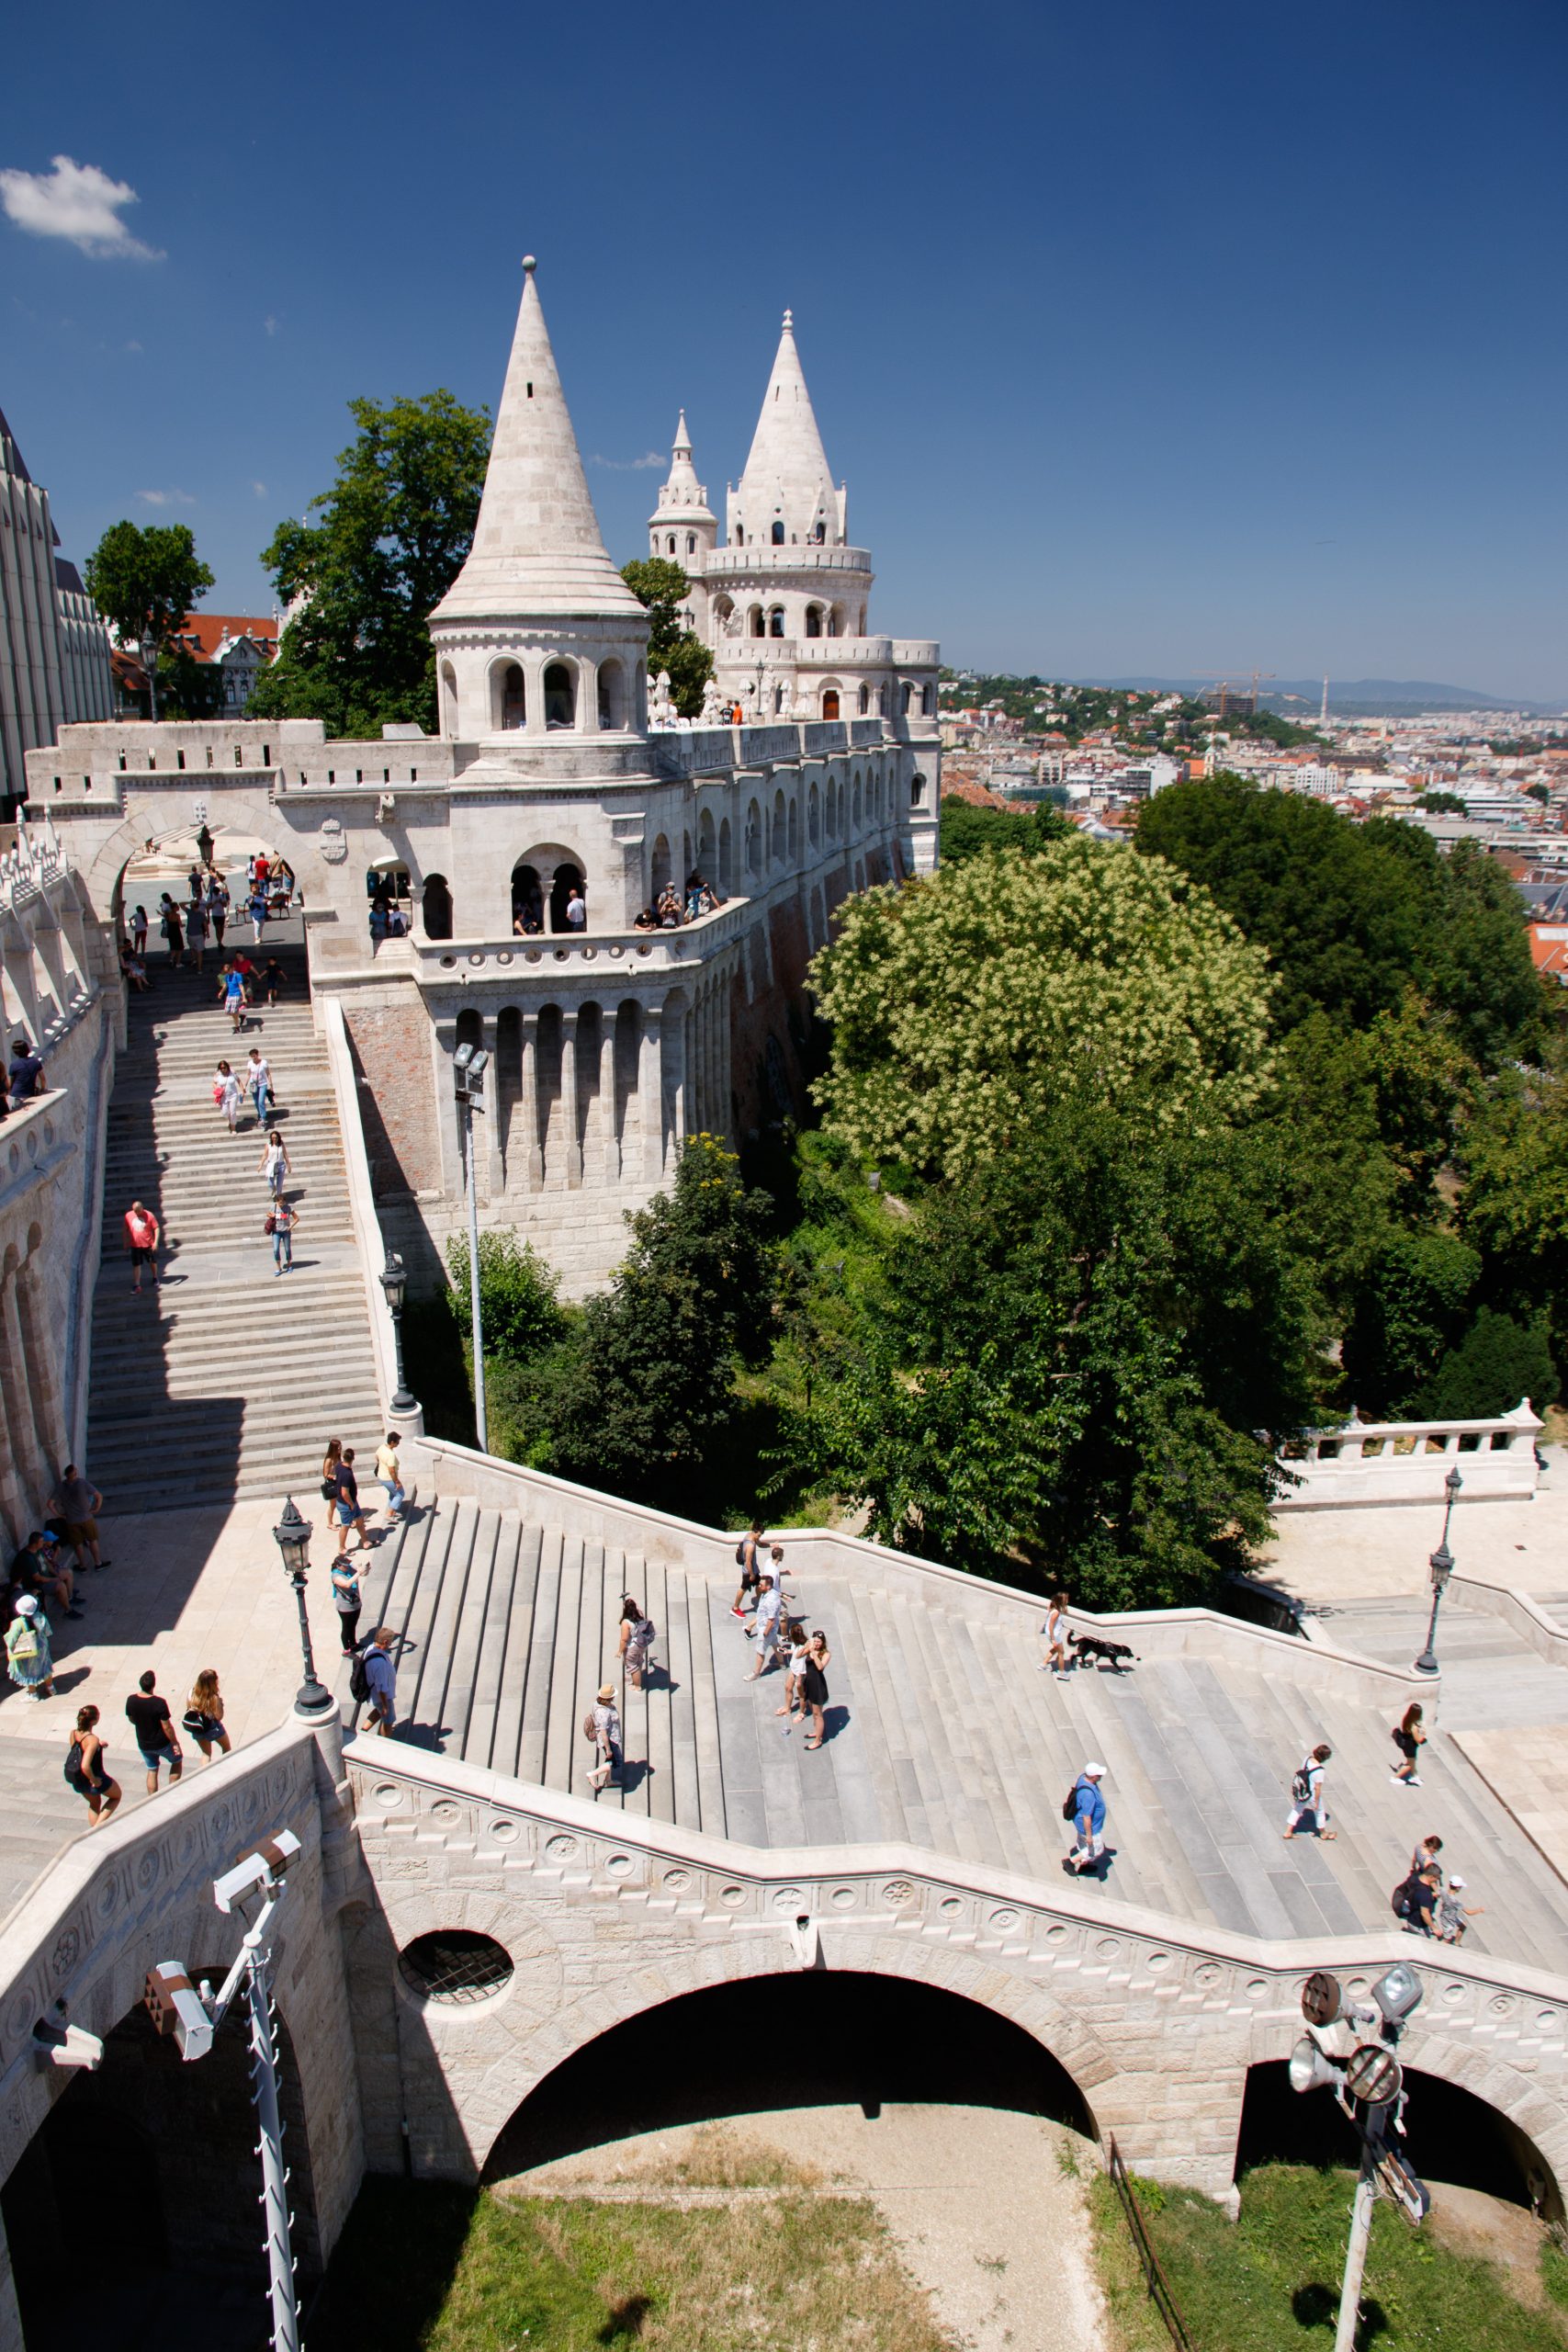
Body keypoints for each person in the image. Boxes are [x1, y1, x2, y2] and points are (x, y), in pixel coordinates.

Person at [126, 1668, 183, 1792]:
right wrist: (174, 1743)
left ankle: (152, 1798)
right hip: (161, 1743)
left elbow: (131, 1719)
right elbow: (167, 1726)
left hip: (144, 1743)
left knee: (152, 1769)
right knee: (177, 1760)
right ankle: (172, 1793)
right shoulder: (159, 1703)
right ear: (153, 1685)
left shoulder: (131, 1700)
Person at [64, 1706, 120, 1827]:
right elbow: (85, 1765)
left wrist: (98, 1746)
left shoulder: (73, 1733)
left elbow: (78, 1752)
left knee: (94, 1804)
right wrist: (94, 1780)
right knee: (116, 1796)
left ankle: (93, 1832)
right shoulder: (92, 1740)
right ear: (93, 1721)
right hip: (94, 1777)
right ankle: (96, 1829)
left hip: (78, 1779)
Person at [49, 1466, 108, 1572]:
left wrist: (59, 1515)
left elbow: (50, 1504)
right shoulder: (82, 1483)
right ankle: (98, 1563)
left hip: (71, 1520)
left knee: (77, 1543)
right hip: (87, 1517)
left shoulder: (61, 1487)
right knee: (92, 1540)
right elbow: (99, 1496)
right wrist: (96, 1508)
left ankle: (82, 1565)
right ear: (75, 1473)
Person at [12, 1532, 81, 1621]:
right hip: (38, 1583)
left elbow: (47, 1563)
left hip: (47, 1575)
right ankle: (68, 1610)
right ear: (35, 1544)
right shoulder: (27, 1558)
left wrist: (56, 1574)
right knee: (60, 1585)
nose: (43, 1543)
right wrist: (54, 1579)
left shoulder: (38, 1550)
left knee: (68, 1572)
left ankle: (70, 1597)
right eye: (41, 1541)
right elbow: (37, 1578)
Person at [6, 1594, 55, 1700]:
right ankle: (51, 1688)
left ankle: (33, 1694)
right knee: (45, 1667)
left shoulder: (17, 1623)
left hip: (28, 1652)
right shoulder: (41, 1617)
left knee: (29, 1672)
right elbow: (48, 1632)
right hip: (42, 1649)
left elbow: (11, 1640)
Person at [1282, 1743, 1336, 1840]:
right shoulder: (1320, 1771)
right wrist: (1316, 1801)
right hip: (1311, 1794)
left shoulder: (1307, 1759)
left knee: (1297, 1809)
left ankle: (1288, 1831)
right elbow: (1317, 1788)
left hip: (1302, 1790)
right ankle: (1323, 1833)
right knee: (1319, 1812)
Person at [1066, 1762, 1108, 1874]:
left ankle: (1085, 1864)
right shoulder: (1088, 1795)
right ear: (1093, 1776)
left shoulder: (1083, 1777)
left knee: (1083, 1843)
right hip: (1090, 1826)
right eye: (1099, 1775)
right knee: (1096, 1848)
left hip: (1082, 1823)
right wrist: (1089, 1836)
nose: (1100, 1777)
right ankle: (1070, 1862)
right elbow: (1087, 1817)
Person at [184, 1668, 231, 1761]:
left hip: (198, 1726)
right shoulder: (213, 1698)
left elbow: (189, 1707)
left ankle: (204, 1774)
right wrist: (220, 1705)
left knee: (206, 1753)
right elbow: (219, 1717)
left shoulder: (191, 1692)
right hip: (212, 1727)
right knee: (226, 1748)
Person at [746, 1575, 784, 1681]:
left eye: (761, 1585)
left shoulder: (771, 1600)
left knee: (760, 1651)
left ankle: (756, 1673)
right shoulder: (770, 1593)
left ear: (768, 1587)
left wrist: (765, 1633)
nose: (759, 1586)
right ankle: (782, 1664)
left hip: (767, 1629)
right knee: (775, 1644)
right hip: (770, 1628)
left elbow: (771, 1620)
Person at [333, 1447, 372, 1551]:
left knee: (359, 1520)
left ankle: (365, 1541)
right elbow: (344, 1493)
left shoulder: (338, 1466)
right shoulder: (347, 1474)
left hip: (351, 1502)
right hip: (347, 1504)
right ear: (353, 1459)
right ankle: (341, 1547)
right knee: (345, 1526)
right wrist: (351, 1504)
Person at [362, 1626, 399, 1735]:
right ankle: (386, 1743)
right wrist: (385, 1704)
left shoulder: (370, 1648)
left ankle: (363, 1732)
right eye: (390, 1643)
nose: (389, 1646)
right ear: (385, 1642)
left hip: (375, 1694)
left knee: (379, 1712)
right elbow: (381, 1687)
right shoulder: (379, 1663)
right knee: (388, 1720)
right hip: (382, 1697)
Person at [586, 1681, 621, 1794]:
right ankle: (592, 1774)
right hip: (610, 1739)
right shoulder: (603, 1712)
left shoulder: (598, 1703)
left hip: (611, 1736)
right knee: (616, 1761)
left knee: (610, 1760)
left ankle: (608, 1780)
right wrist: (609, 1749)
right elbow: (603, 1732)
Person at [800, 1629, 831, 1749]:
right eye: (816, 1641)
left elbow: (820, 1667)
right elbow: (798, 1655)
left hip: (818, 1685)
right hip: (809, 1683)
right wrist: (807, 1647)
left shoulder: (826, 1654)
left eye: (820, 1642)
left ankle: (818, 1740)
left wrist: (813, 1653)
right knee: (813, 1711)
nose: (818, 1644)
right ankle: (817, 1732)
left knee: (818, 1714)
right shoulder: (811, 1649)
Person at [123, 1199, 162, 1293]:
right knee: (136, 1264)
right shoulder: (128, 1215)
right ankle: (137, 1284)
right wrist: (125, 1242)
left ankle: (155, 1277)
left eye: (138, 1211)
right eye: (135, 1211)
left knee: (152, 1261)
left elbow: (156, 1228)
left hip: (148, 1244)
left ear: (142, 1208)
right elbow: (125, 1229)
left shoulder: (149, 1215)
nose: (136, 1213)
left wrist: (155, 1242)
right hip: (135, 1245)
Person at [730, 1521, 764, 1621]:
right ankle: (735, 1608)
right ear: (755, 1532)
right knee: (743, 1588)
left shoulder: (750, 1535)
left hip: (753, 1569)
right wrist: (751, 1574)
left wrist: (772, 1545)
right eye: (759, 1535)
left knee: (759, 1584)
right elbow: (748, 1562)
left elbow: (761, 1544)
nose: (759, 1537)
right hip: (749, 1571)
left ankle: (760, 1603)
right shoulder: (750, 1546)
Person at [619, 1595, 655, 1690]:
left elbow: (624, 1639)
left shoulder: (625, 1622)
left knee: (633, 1667)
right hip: (641, 1644)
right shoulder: (640, 1615)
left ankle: (637, 1686)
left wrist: (619, 1651)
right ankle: (636, 1683)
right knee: (638, 1662)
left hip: (632, 1647)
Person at [776, 1621, 808, 1724]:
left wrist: (799, 1679)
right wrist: (788, 1651)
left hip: (800, 1673)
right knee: (788, 1687)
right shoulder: (796, 1642)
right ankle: (787, 1708)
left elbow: (803, 1662)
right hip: (793, 1669)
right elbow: (795, 1651)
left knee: (801, 1694)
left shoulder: (804, 1647)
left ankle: (801, 1712)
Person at [331, 1554, 363, 1656]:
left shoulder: (349, 1569)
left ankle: (353, 1643)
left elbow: (360, 1571)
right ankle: (346, 1649)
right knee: (346, 1627)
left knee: (353, 1625)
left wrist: (361, 1568)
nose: (347, 1567)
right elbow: (347, 1584)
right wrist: (358, 1573)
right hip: (345, 1607)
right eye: (344, 1565)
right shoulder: (336, 1576)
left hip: (355, 1603)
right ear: (338, 1566)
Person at [1436, 1876, 1483, 1943]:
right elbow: (1469, 1912)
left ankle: (1457, 1943)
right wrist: (1479, 1910)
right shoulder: (1455, 1901)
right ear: (1458, 1888)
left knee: (1463, 1925)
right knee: (1447, 1939)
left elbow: (1436, 1894)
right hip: (1449, 1921)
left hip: (1446, 1914)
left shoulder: (1443, 1890)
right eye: (1461, 1887)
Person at [1392, 1702, 1426, 1786]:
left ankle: (1415, 1777)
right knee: (1409, 1764)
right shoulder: (1414, 1727)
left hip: (1407, 1744)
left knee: (1412, 1762)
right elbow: (1418, 1740)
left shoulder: (1406, 1719)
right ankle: (1395, 1778)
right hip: (1410, 1746)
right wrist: (1423, 1734)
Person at [374, 1431, 406, 1520]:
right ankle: (390, 1514)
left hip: (381, 1476)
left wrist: (381, 1464)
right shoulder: (390, 1455)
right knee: (400, 1494)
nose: (398, 1444)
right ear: (392, 1442)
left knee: (393, 1493)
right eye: (397, 1442)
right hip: (388, 1478)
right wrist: (397, 1482)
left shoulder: (382, 1447)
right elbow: (391, 1471)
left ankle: (393, 1510)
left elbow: (376, 1457)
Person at [7, 1035, 44, 1108]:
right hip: (29, 1094)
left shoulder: (14, 1065)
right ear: (28, 1049)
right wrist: (42, 1089)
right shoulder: (35, 1061)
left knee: (15, 1112)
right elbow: (43, 1079)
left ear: (15, 1053)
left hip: (16, 1096)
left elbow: (10, 1084)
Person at [1041, 1591, 1070, 1678]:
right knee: (1061, 1653)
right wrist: (1053, 1639)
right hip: (1055, 1635)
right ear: (1062, 1601)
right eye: (1066, 1599)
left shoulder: (1053, 1608)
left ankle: (1043, 1664)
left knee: (1055, 1650)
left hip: (1051, 1634)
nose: (1067, 1601)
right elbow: (1051, 1625)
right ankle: (1061, 1672)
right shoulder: (1056, 1612)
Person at [268, 1197, 298, 1274]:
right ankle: (278, 1267)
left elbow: (296, 1218)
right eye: (279, 1203)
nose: (281, 1205)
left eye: (283, 1203)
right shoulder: (273, 1206)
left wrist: (291, 1226)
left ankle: (289, 1265)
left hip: (286, 1232)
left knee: (287, 1249)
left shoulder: (288, 1208)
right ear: (277, 1201)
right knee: (276, 1249)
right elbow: (268, 1214)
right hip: (276, 1231)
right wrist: (271, 1215)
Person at [259, 1127, 289, 1202]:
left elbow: (285, 1154)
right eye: (273, 1138)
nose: (274, 1139)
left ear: (278, 1138)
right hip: (271, 1165)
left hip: (281, 1165)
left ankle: (279, 1198)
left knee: (280, 1184)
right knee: (270, 1183)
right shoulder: (268, 1144)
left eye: (276, 1138)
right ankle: (273, 1189)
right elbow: (265, 1155)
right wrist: (260, 1165)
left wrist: (289, 1165)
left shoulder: (281, 1144)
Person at [245, 1046, 274, 1125]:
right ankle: (260, 1114)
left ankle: (263, 1117)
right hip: (253, 1084)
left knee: (261, 1101)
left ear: (257, 1055)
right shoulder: (250, 1063)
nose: (253, 1057)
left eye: (254, 1056)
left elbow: (268, 1074)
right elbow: (248, 1074)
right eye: (252, 1056)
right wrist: (245, 1085)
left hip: (262, 1083)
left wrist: (271, 1084)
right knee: (256, 1101)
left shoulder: (264, 1062)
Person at [214, 1057, 243, 1133]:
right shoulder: (218, 1074)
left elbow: (239, 1081)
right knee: (225, 1113)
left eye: (224, 1067)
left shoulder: (232, 1072)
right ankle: (229, 1120)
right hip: (223, 1096)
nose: (223, 1069)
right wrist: (217, 1089)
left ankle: (233, 1128)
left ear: (227, 1066)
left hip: (233, 1095)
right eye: (221, 1068)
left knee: (232, 1112)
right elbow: (214, 1083)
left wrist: (242, 1090)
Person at [184, 890, 209, 975]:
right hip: (199, 934)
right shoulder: (202, 914)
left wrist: (189, 901)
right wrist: (208, 933)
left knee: (192, 948)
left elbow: (180, 904)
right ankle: (199, 968)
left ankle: (194, 960)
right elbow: (205, 925)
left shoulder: (189, 912)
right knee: (200, 952)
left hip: (190, 934)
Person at [220, 962, 247, 1034]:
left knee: (234, 1012)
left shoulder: (237, 975)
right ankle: (241, 1016)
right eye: (226, 971)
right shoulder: (227, 976)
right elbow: (225, 985)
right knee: (227, 1012)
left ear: (232, 969)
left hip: (236, 995)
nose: (228, 972)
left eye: (228, 971)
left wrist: (244, 997)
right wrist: (221, 992)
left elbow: (241, 986)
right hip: (229, 995)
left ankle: (237, 1028)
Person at [160, 895, 185, 967]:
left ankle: (171, 960)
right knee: (179, 948)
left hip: (170, 932)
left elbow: (165, 917)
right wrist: (183, 925)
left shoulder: (169, 915)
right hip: (176, 932)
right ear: (174, 908)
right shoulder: (177, 915)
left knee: (173, 947)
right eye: (177, 906)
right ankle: (178, 963)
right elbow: (180, 925)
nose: (178, 907)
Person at [206, 876, 230, 946]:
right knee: (217, 929)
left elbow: (225, 905)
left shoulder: (221, 896)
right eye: (216, 892)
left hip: (221, 914)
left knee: (221, 929)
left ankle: (220, 941)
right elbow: (209, 907)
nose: (217, 893)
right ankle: (219, 942)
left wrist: (221, 902)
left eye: (217, 892)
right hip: (215, 915)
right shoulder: (210, 897)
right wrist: (214, 902)